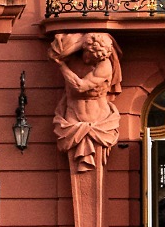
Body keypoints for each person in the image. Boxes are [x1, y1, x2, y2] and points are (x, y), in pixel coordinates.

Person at [49, 32, 121, 172]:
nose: (89, 62)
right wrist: (79, 43)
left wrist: (62, 66)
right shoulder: (73, 48)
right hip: (72, 115)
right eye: (89, 56)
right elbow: (56, 52)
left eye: (95, 60)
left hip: (98, 121)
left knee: (97, 167)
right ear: (84, 47)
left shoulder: (104, 66)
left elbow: (80, 86)